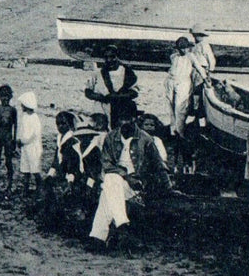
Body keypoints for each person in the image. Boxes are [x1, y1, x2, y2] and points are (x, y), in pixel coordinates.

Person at [88, 105, 171, 250]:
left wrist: (168, 186)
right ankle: (121, 225)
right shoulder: (111, 137)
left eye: (129, 118)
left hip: (137, 184)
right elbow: (106, 164)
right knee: (112, 180)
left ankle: (98, 237)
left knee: (108, 190)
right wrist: (126, 176)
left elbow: (158, 164)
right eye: (122, 119)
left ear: (135, 119)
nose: (125, 122)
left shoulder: (145, 139)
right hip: (118, 181)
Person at [165, 36, 202, 171]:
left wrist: (206, 79)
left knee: (181, 107)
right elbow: (172, 68)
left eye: (184, 48)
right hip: (172, 82)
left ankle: (179, 131)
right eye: (180, 48)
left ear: (188, 47)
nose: (182, 50)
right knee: (171, 105)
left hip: (184, 83)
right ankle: (173, 129)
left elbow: (199, 68)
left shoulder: (191, 57)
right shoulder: (173, 57)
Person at [84, 45, 140, 128]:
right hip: (102, 108)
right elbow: (88, 91)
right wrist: (101, 97)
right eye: (106, 57)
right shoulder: (97, 73)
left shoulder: (127, 72)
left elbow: (135, 92)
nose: (109, 60)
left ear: (117, 57)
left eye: (112, 57)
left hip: (122, 108)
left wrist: (117, 97)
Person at [0, 84, 18, 194]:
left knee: (8, 161)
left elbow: (15, 126)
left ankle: (9, 185)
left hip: (8, 138)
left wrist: (14, 140)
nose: (5, 98)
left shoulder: (13, 110)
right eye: (2, 96)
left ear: (10, 97)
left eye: (7, 96)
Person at [16, 91, 43, 197]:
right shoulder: (24, 116)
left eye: (22, 104)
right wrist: (19, 139)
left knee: (35, 169)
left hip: (33, 147)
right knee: (26, 170)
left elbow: (34, 134)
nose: (21, 106)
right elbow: (22, 130)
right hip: (25, 147)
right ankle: (25, 190)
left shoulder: (34, 118)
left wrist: (23, 141)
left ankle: (40, 189)